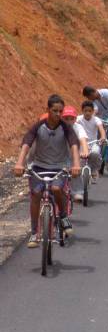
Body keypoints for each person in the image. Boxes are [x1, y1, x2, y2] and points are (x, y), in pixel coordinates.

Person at [13, 94, 81, 248]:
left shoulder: (66, 127)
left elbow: (74, 145)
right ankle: (34, 233)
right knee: (36, 194)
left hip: (59, 167)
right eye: (54, 111)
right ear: (47, 110)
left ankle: (63, 216)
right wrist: (19, 163)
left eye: (60, 111)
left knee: (57, 189)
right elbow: (26, 144)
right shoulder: (38, 126)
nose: (58, 114)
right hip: (38, 167)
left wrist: (76, 164)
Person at [60, 106, 90, 202]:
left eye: (71, 118)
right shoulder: (58, 127)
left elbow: (83, 139)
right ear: (62, 118)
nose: (68, 121)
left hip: (76, 154)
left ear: (75, 119)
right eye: (66, 118)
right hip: (61, 154)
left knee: (75, 171)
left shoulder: (78, 127)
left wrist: (85, 151)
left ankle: (78, 191)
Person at [76, 101, 107, 183]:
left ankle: (94, 170)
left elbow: (101, 129)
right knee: (79, 159)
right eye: (85, 111)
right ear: (82, 111)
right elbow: (73, 126)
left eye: (89, 111)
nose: (87, 113)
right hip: (82, 143)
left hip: (94, 142)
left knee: (95, 153)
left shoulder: (96, 120)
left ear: (93, 111)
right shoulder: (78, 119)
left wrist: (103, 137)